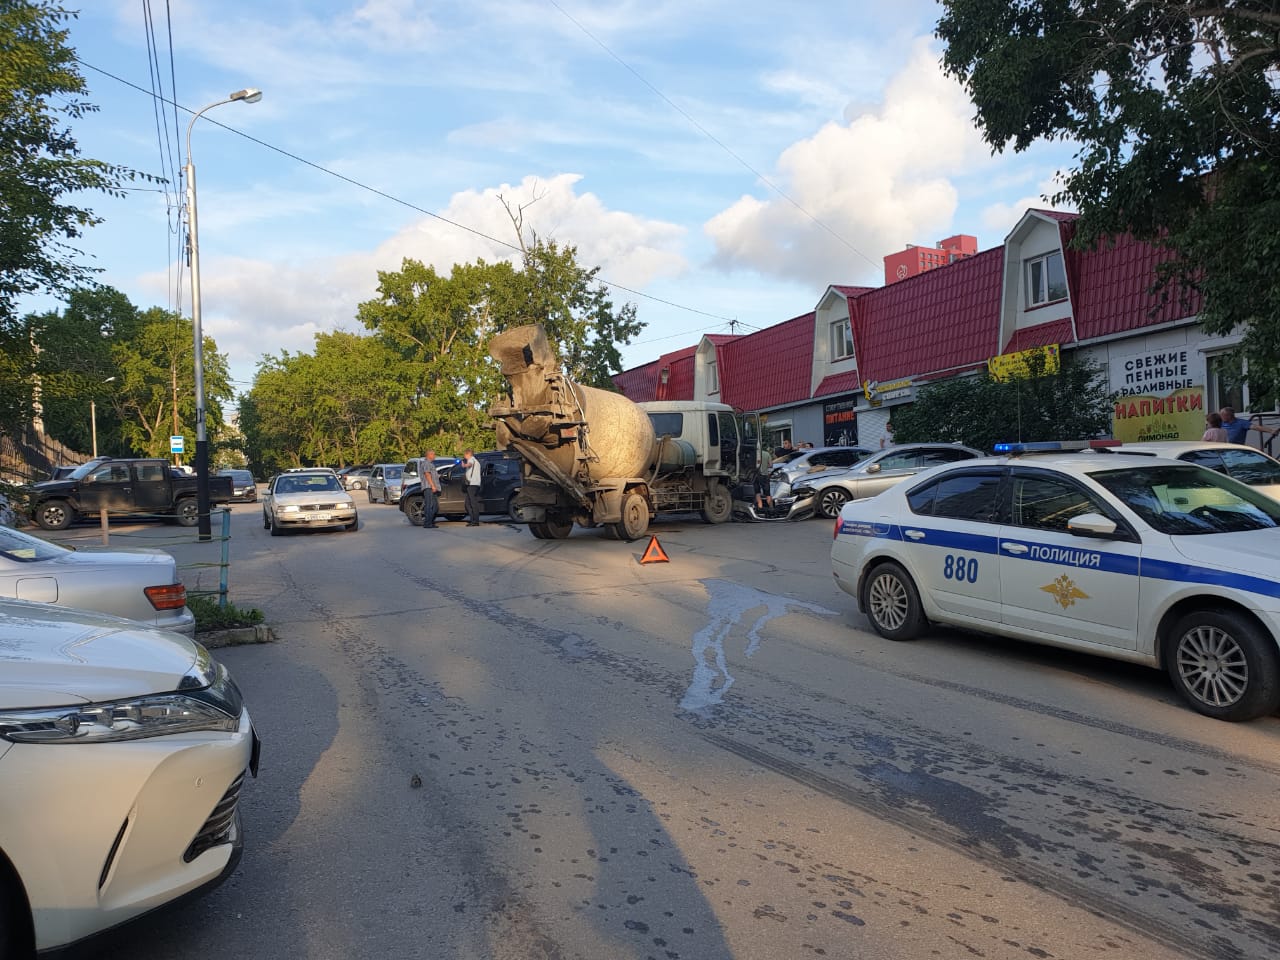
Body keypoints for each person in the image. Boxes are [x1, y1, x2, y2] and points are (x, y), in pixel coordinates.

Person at [419, 450, 442, 528]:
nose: (434, 456)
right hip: (428, 487)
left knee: (435, 506)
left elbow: (432, 475)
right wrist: (432, 486)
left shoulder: (430, 463)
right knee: (430, 505)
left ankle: (430, 522)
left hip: (431, 487)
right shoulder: (426, 463)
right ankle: (427, 523)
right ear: (429, 455)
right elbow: (427, 474)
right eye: (433, 454)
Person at [461, 449, 482, 526]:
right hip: (474, 484)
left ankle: (475, 521)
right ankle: (473, 519)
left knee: (472, 503)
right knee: (468, 503)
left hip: (472, 484)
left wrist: (464, 465)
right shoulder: (476, 461)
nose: (464, 456)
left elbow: (470, 464)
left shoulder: (472, 459)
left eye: (464, 454)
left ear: (468, 454)